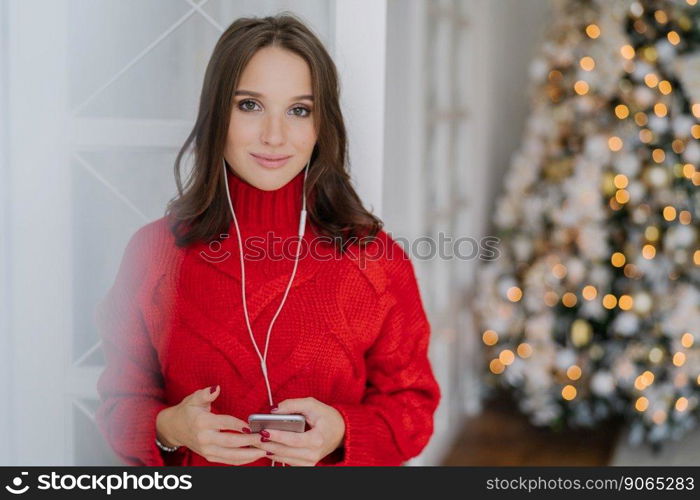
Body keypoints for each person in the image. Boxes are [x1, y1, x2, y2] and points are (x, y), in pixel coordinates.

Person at [95, 13, 440, 467]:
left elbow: (413, 408)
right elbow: (119, 401)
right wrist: (168, 428)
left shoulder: (375, 260)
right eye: (250, 105)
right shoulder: (154, 254)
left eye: (299, 110)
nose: (274, 136)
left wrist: (341, 431)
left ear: (322, 125)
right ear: (218, 113)